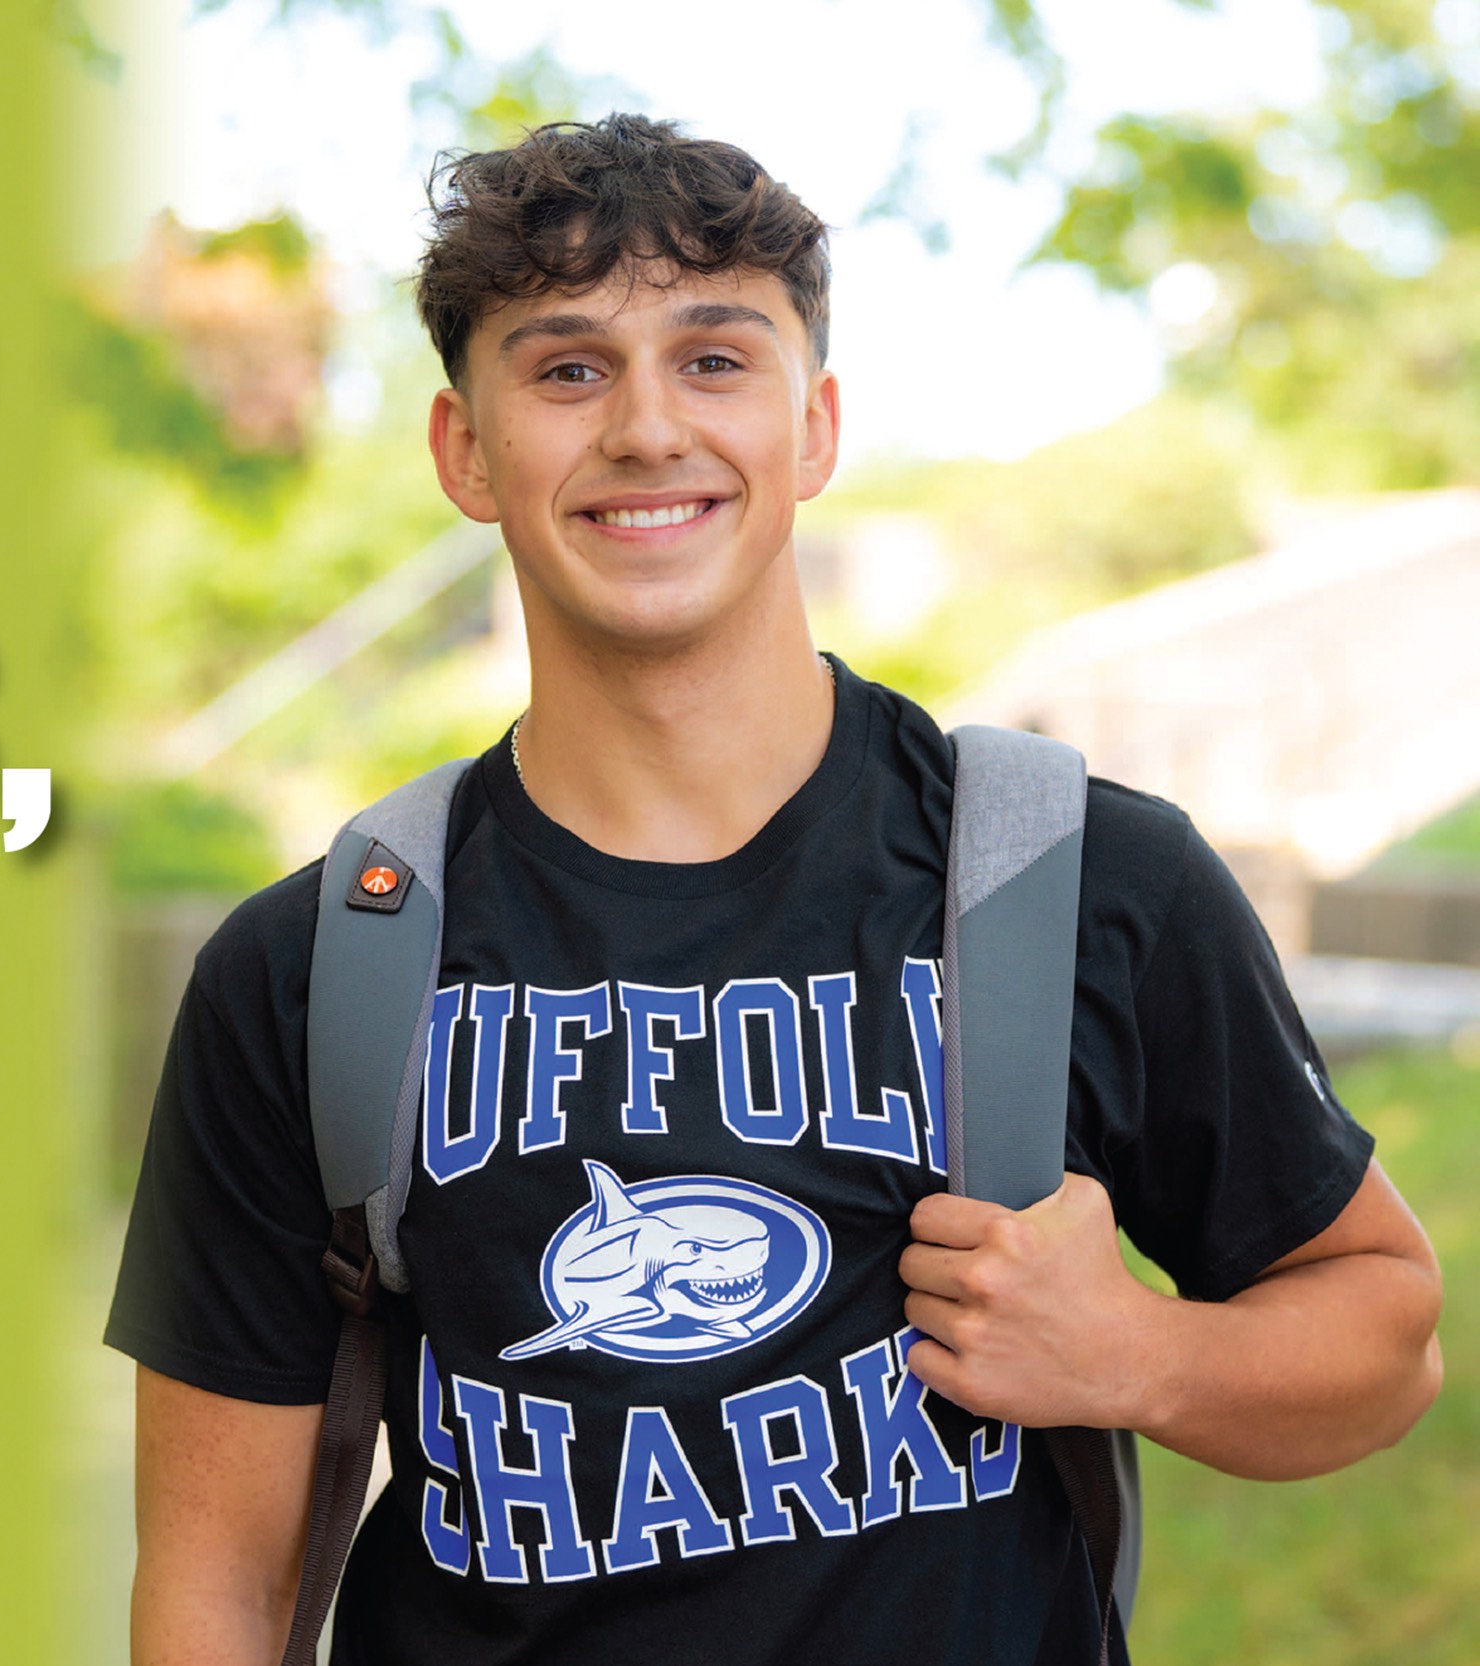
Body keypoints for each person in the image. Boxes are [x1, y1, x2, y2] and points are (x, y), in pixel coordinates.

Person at [104, 114, 1444, 1665]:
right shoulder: (319, 968)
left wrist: (1136, 1351)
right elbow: (218, 1583)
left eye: (715, 359)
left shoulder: (1068, 879)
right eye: (566, 368)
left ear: (813, 427)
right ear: (466, 451)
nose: (648, 428)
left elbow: (1385, 1338)